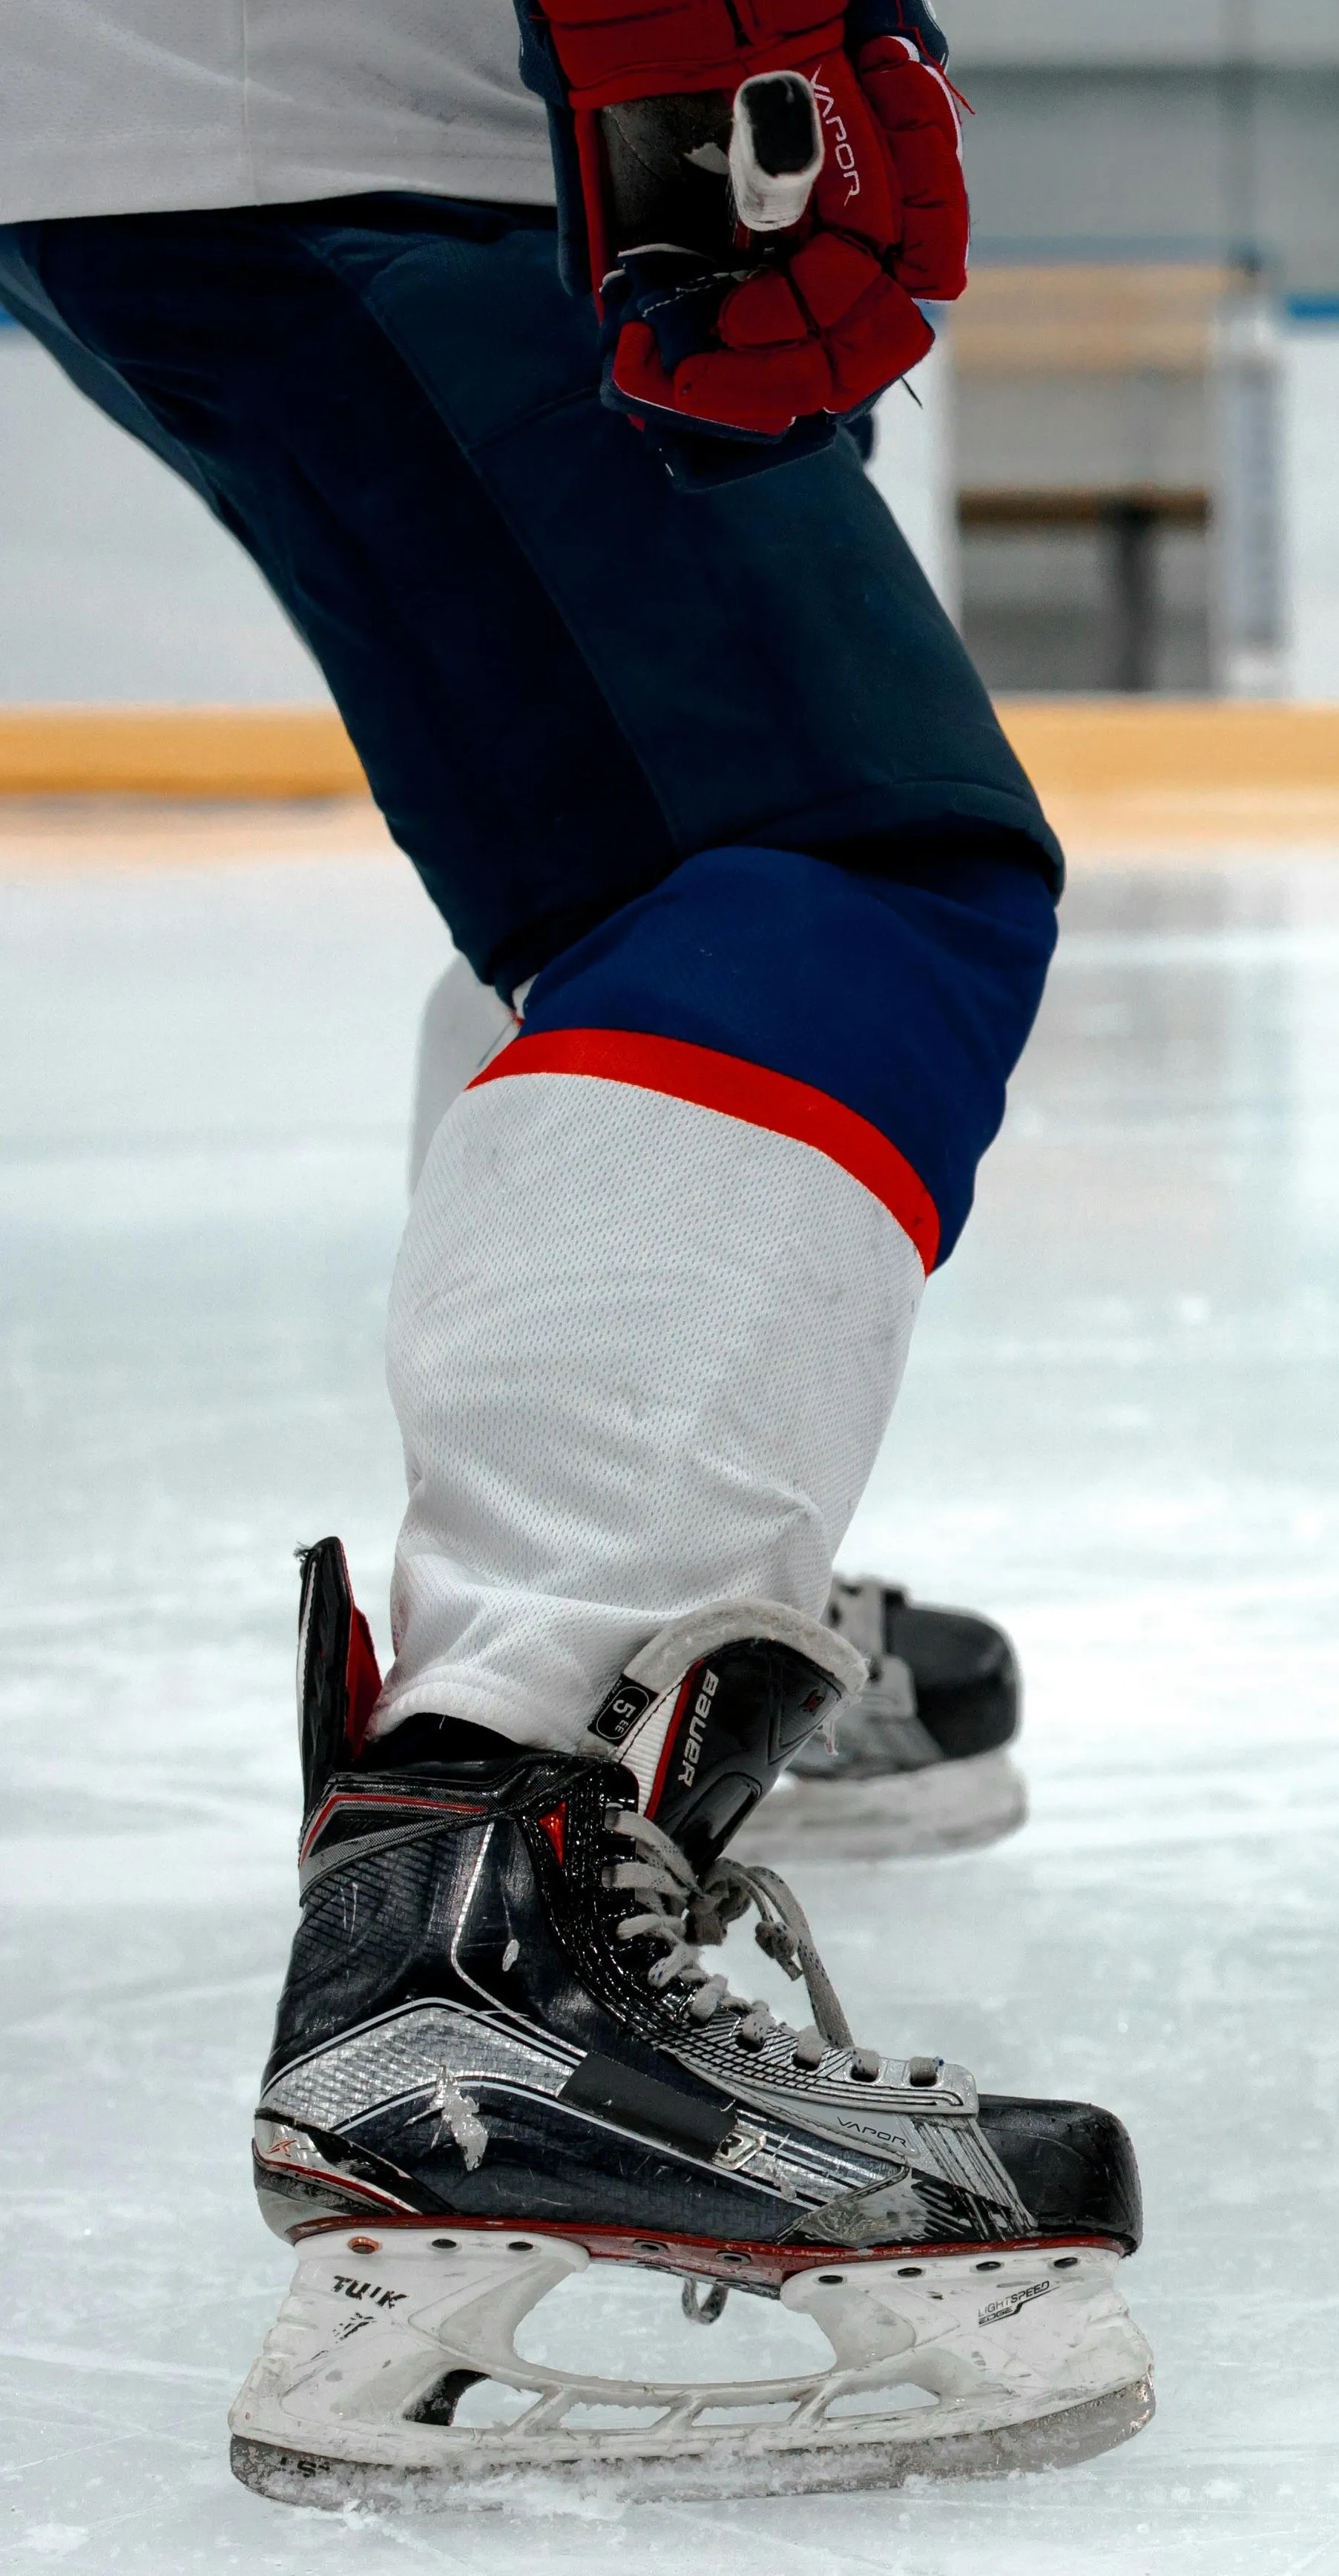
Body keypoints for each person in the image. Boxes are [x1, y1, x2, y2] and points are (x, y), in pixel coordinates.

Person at [0, 0, 1154, 2494]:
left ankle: (648, 1656)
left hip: (247, 106)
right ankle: (491, 1890)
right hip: (337, 99)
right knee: (818, 875)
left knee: (633, 861)